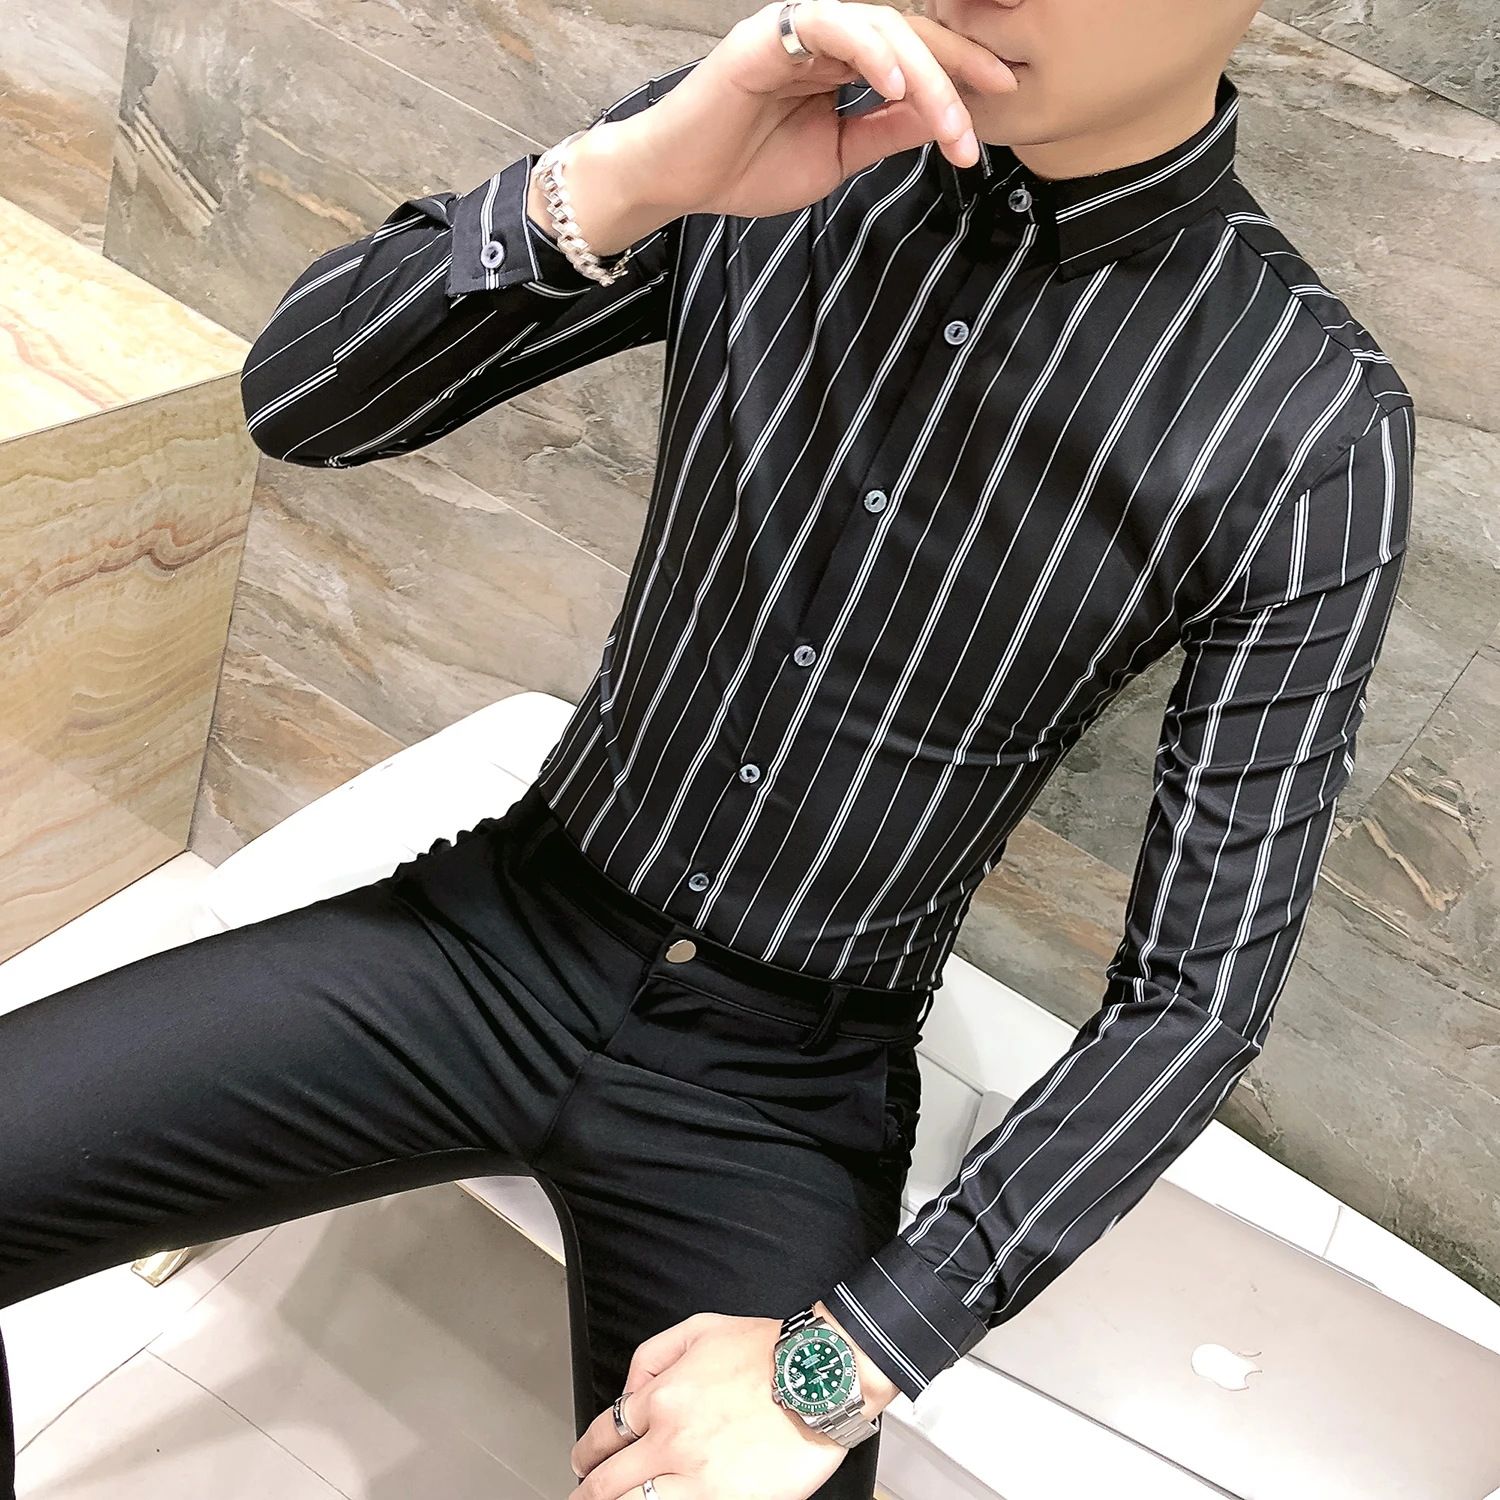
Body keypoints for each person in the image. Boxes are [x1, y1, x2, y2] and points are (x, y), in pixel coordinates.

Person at [0, 0, 1413, 1496]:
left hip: (781, 1088)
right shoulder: (774, 131)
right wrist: (625, 176)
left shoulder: (1312, 424)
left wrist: (846, 1359)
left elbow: (1195, 998)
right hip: (497, 931)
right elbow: (300, 404)